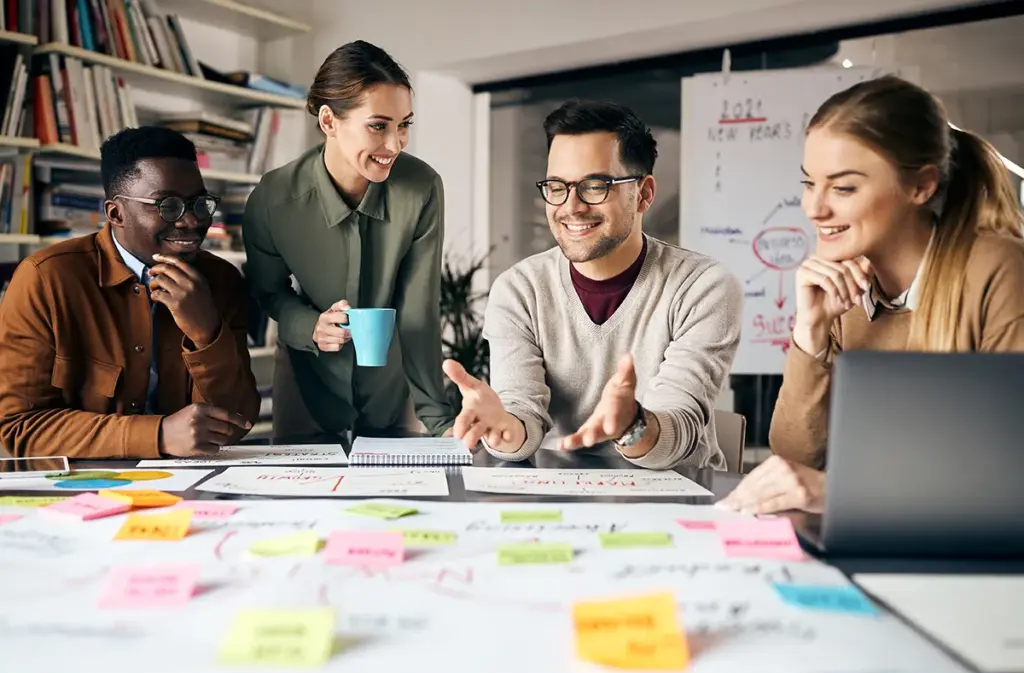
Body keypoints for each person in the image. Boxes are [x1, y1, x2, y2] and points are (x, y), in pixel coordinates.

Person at [720, 75, 1024, 514]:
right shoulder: (848, 294)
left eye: (842, 188)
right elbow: (795, 459)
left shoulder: (999, 269)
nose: (814, 208)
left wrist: (840, 495)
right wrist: (812, 332)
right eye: (809, 183)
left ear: (920, 186)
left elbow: (1007, 475)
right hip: (876, 542)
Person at [443, 101, 742, 469]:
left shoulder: (703, 287)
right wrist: (507, 428)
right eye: (557, 186)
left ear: (645, 193)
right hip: (557, 496)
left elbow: (679, 429)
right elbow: (521, 414)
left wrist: (631, 426)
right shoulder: (519, 289)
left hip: (673, 497)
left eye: (595, 185)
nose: (572, 206)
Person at [0, 126, 260, 459]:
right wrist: (158, 435)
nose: (192, 221)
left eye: (199, 204)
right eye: (168, 206)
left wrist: (206, 332)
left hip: (192, 488)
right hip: (83, 491)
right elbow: (19, 427)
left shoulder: (222, 280)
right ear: (116, 213)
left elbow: (238, 421)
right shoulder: (46, 279)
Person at [243, 40, 455, 439]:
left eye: (404, 124)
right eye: (379, 125)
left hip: (395, 386)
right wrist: (309, 327)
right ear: (329, 121)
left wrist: (438, 418)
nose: (394, 144)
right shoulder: (273, 199)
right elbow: (265, 291)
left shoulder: (421, 187)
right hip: (308, 381)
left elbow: (419, 308)